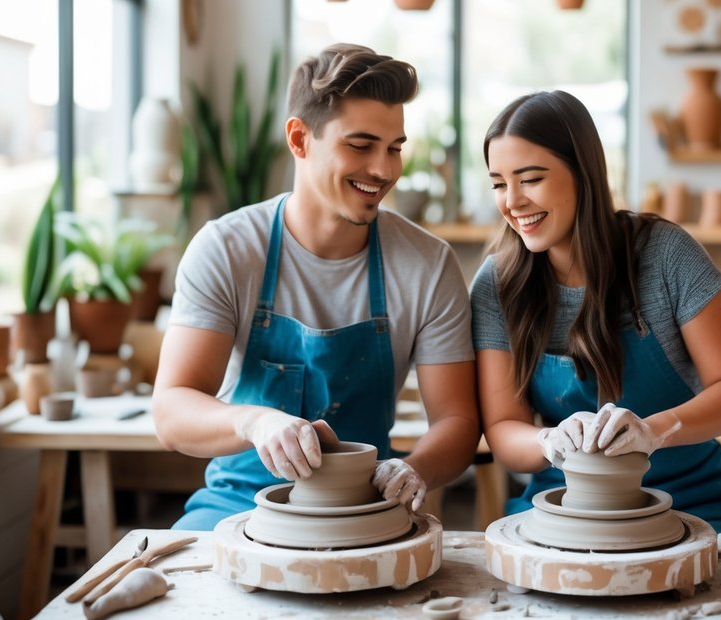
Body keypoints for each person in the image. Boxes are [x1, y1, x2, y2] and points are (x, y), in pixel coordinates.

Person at [154, 43, 479, 531]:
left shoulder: (427, 265)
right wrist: (256, 422)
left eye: (394, 149)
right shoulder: (227, 249)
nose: (384, 170)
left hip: (365, 507)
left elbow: (457, 423)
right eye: (361, 145)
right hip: (240, 504)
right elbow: (171, 410)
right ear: (299, 139)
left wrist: (415, 469)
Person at [470, 90, 721, 533]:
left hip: (692, 503)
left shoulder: (665, 255)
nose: (512, 201)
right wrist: (549, 442)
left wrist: (654, 430)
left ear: (583, 173)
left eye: (530, 179)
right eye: (498, 183)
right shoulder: (498, 283)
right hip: (564, 505)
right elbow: (505, 430)